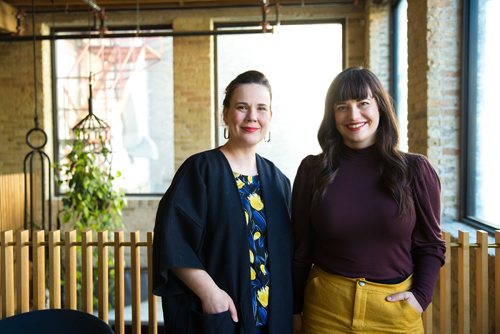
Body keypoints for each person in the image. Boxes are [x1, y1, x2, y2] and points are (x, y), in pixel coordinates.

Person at [292, 67, 446, 334]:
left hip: (394, 312)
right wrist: (294, 309)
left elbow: (431, 244)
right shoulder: (312, 170)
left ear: (380, 108)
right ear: (332, 115)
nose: (353, 115)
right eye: (342, 106)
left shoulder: (415, 170)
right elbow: (300, 248)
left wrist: (421, 298)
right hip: (325, 310)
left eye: (363, 103)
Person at [152, 70, 293, 334]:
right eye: (242, 107)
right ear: (225, 114)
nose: (252, 116)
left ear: (270, 117)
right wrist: (210, 294)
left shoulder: (278, 181)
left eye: (261, 108)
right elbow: (174, 240)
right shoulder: (200, 170)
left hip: (273, 321)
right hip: (222, 316)